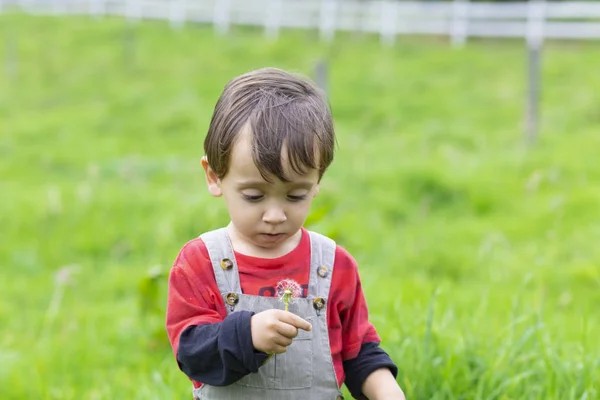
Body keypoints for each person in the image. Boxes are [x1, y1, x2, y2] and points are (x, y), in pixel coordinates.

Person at [165, 67, 406, 400]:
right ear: (214, 176)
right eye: (254, 196)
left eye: (296, 195)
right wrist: (246, 336)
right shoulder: (200, 262)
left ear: (318, 180)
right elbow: (192, 353)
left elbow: (358, 350)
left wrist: (386, 390)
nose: (275, 215)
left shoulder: (334, 265)